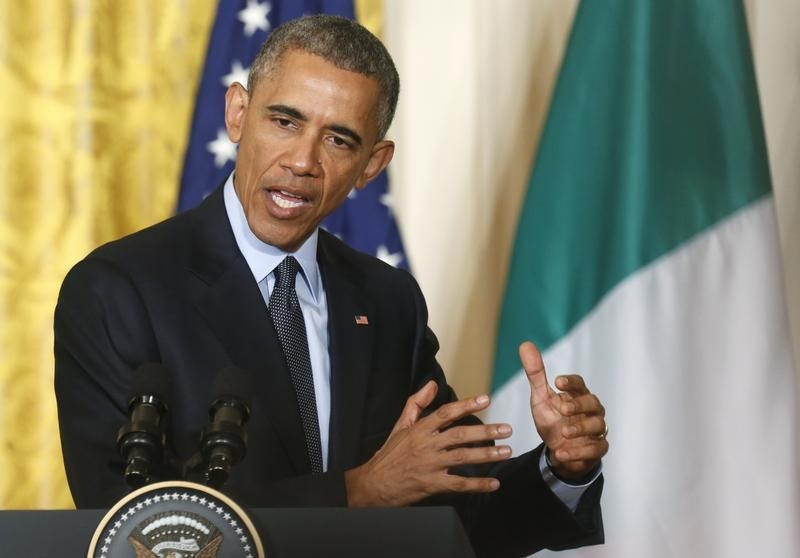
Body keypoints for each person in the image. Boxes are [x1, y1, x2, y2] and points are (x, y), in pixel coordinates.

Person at [54, 15, 608, 557]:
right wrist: (361, 492)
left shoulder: (387, 301)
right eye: (285, 121)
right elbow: (126, 524)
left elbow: (460, 518)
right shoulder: (118, 290)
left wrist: (560, 467)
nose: (302, 161)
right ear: (238, 113)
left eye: (339, 140)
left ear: (372, 164)